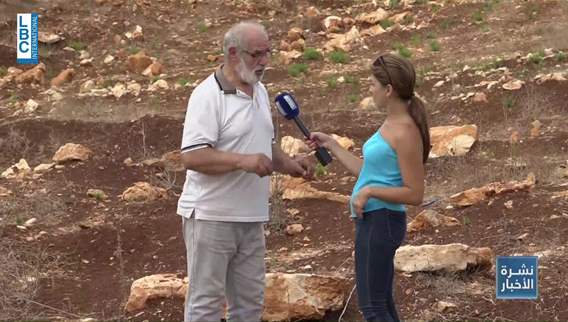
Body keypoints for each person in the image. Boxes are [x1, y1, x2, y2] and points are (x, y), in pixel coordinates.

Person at [177, 21, 312, 322]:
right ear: (233, 53)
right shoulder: (207, 95)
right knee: (206, 305)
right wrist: (242, 161)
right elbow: (192, 156)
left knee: (250, 306)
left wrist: (291, 164)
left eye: (268, 53)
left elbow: (266, 144)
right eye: (256, 54)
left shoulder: (260, 91)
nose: (264, 61)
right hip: (212, 216)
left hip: (251, 218)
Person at [307, 53, 430, 322]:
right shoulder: (391, 124)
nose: (369, 89)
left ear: (388, 90)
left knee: (372, 308)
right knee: (381, 303)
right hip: (374, 220)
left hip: (383, 221)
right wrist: (333, 146)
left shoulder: (406, 131)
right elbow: (370, 173)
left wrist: (369, 192)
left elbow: (415, 193)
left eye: (373, 84)